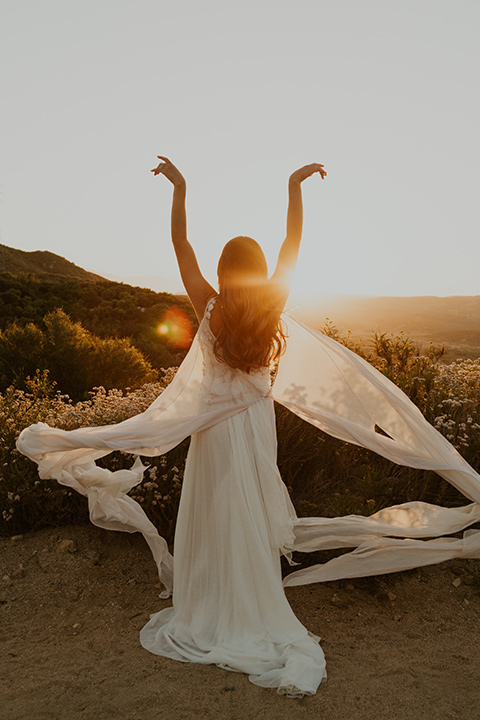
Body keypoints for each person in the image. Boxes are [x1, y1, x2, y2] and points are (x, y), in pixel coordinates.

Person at [139, 157, 328, 697]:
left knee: (219, 503)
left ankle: (215, 598)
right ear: (260, 269)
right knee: (247, 505)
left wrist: (180, 189)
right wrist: (294, 186)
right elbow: (294, 242)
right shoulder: (271, 303)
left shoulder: (210, 304)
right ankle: (251, 593)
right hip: (254, 421)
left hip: (215, 426)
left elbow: (181, 247)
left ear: (224, 270)